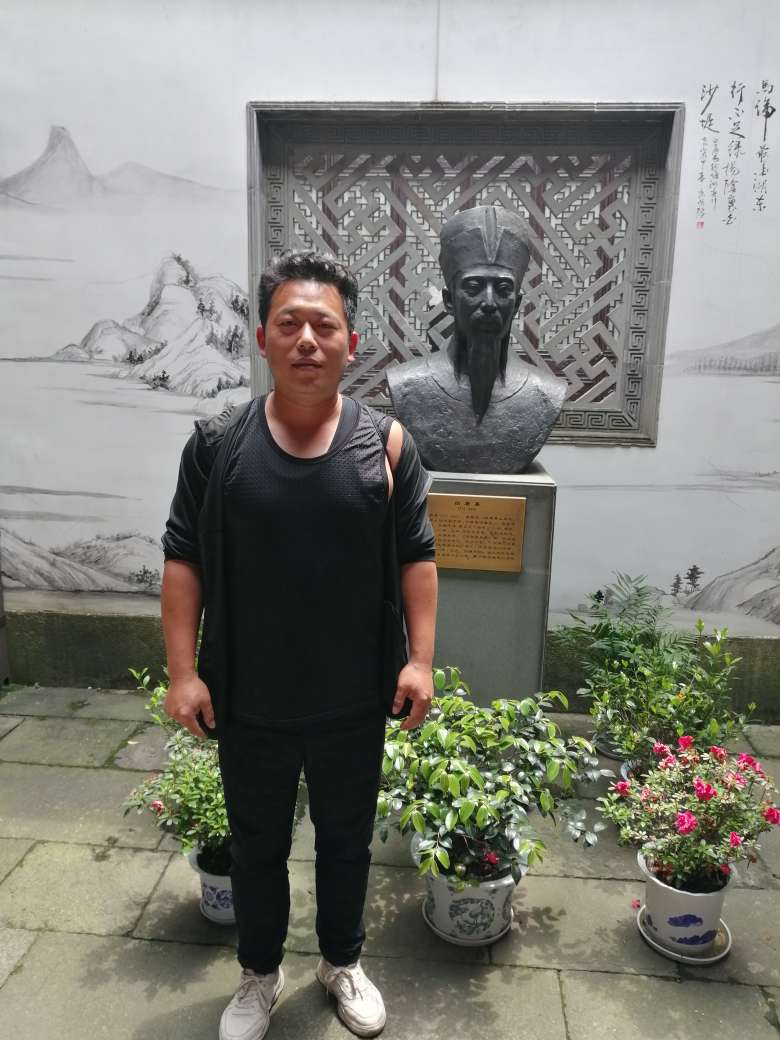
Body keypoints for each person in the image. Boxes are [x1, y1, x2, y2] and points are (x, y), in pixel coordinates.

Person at [160, 250, 438, 1040]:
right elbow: (183, 559)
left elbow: (418, 557)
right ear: (262, 338)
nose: (307, 340)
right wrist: (183, 673)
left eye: (325, 325)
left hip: (354, 696)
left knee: (347, 842)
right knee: (256, 847)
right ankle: (259, 974)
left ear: (352, 343)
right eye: (290, 324)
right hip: (250, 697)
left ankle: (341, 963)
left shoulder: (386, 446)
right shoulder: (218, 446)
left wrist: (419, 661)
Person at [386, 205, 567, 474]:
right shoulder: (406, 385)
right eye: (474, 287)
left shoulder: (547, 393)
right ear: (449, 300)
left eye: (503, 289)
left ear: (516, 304)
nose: (489, 302)